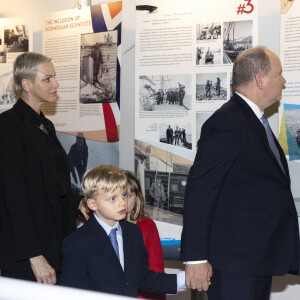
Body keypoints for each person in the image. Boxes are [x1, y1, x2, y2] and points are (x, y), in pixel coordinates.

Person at [181, 46, 300, 300]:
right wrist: (196, 258)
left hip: (256, 259)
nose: (284, 81)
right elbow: (200, 190)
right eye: (279, 74)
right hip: (235, 266)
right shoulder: (227, 122)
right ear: (260, 80)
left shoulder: (254, 121)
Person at [0, 52, 82, 284]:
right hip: (27, 255)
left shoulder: (46, 125)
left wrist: (80, 204)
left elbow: (54, 185)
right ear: (26, 84)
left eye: (54, 77)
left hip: (55, 246)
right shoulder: (8, 126)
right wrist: (34, 256)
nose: (56, 84)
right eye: (48, 79)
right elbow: (13, 197)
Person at [59, 165, 185, 297]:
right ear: (92, 204)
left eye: (124, 195)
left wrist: (184, 280)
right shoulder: (77, 243)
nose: (123, 203)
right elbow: (70, 293)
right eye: (113, 198)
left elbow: (142, 277)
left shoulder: (133, 233)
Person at [125, 171, 166, 300]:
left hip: (143, 294)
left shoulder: (148, 226)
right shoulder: (107, 225)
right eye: (118, 195)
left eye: (127, 195)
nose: (122, 201)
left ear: (137, 197)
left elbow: (156, 269)